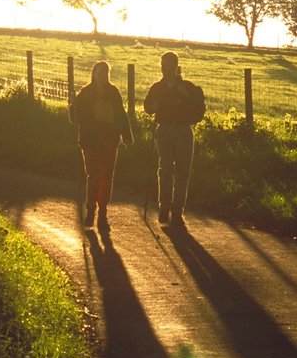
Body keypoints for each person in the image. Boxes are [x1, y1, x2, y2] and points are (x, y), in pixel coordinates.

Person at [143, 51, 205, 227]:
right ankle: (164, 208)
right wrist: (151, 107)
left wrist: (186, 97)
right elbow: (147, 106)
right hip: (164, 129)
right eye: (163, 65)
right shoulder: (157, 87)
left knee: (182, 171)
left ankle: (177, 210)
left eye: (168, 65)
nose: (164, 68)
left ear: (175, 67)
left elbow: (199, 110)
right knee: (166, 168)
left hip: (183, 130)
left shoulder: (187, 87)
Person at [69, 61, 134, 228]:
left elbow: (120, 115)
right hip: (90, 140)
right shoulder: (86, 93)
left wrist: (127, 136)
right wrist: (73, 105)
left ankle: (103, 210)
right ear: (94, 74)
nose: (102, 77)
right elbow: (75, 118)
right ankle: (91, 211)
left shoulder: (113, 93)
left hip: (109, 140)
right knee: (94, 175)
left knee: (107, 176)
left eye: (105, 74)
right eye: (99, 73)